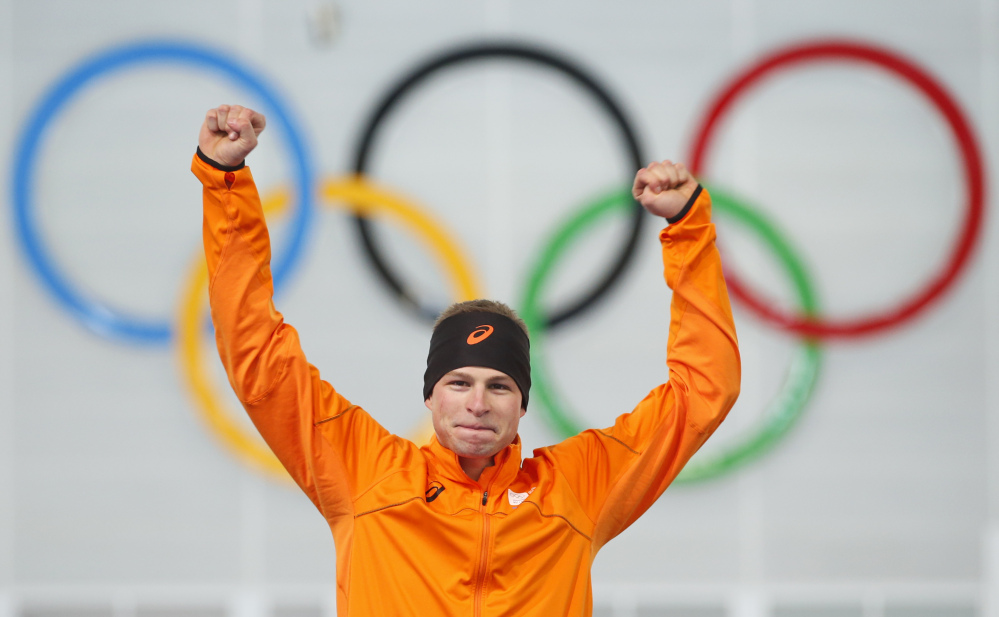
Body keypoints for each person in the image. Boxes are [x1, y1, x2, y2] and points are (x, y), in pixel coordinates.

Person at [192, 104, 740, 617]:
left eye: (500, 386)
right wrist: (224, 181)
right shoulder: (364, 471)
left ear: (524, 403)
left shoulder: (577, 486)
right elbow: (256, 351)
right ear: (429, 393)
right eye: (459, 382)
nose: (477, 404)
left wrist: (688, 227)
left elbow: (704, 389)